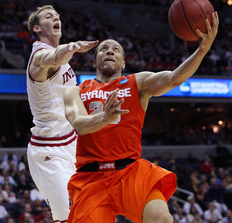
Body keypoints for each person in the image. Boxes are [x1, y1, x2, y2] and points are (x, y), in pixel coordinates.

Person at [64, 12, 218, 223]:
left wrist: (202, 51)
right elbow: (80, 125)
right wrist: (105, 118)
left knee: (162, 219)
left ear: (123, 63)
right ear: (94, 62)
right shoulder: (75, 91)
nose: (110, 51)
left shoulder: (138, 83)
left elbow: (173, 78)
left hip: (130, 172)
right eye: (104, 49)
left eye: (115, 49)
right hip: (91, 177)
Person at [26, 5, 99, 222]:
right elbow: (55, 57)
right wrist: (72, 47)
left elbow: (70, 100)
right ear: (38, 28)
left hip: (72, 144)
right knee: (68, 218)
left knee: (92, 212)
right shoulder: (39, 57)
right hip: (49, 152)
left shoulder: (64, 60)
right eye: (49, 17)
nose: (56, 19)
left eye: (57, 16)